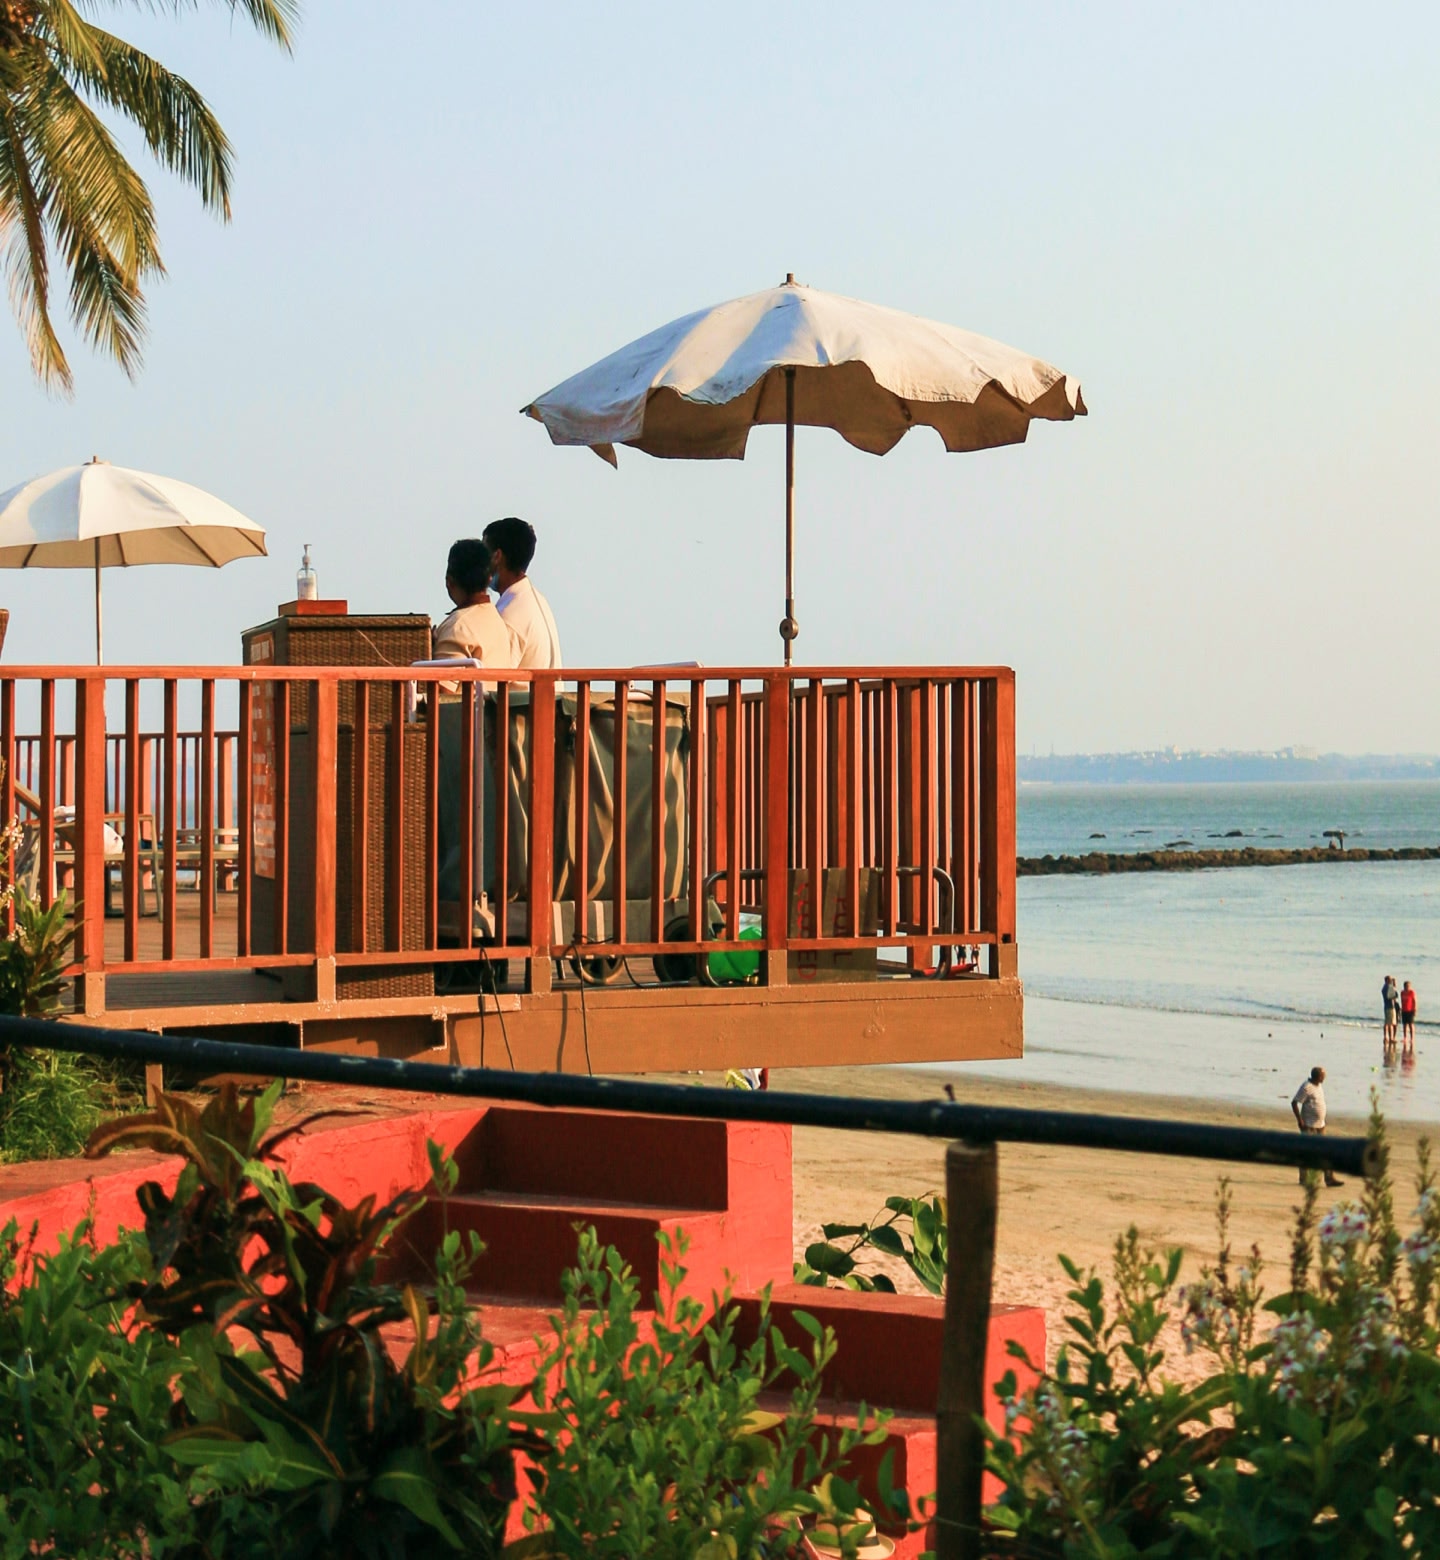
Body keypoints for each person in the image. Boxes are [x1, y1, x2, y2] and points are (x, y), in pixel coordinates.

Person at [433, 538, 518, 689]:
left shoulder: (458, 627)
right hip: (492, 711)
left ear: (449, 582)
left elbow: (443, 694)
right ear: (489, 578)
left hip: (468, 712)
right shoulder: (497, 620)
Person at [483, 516, 562, 669]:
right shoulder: (535, 600)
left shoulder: (510, 614)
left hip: (523, 693)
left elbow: (492, 677)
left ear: (497, 556)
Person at [1291, 1065, 1342, 1187]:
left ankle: (1329, 1178)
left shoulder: (1319, 1086)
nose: (1324, 1078)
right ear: (1317, 1076)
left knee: (1325, 1151)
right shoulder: (1306, 1087)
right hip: (1309, 1125)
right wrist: (1300, 1121)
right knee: (1307, 1152)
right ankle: (1304, 1179)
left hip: (1320, 1125)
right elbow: (1294, 1102)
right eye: (1322, 1076)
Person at [1383, 975, 1399, 1045]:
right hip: (1390, 1006)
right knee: (1390, 1023)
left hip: (1387, 1006)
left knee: (1387, 1022)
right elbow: (1394, 996)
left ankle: (1387, 1037)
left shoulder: (1384, 987)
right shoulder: (1389, 987)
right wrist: (1394, 987)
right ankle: (1390, 1038)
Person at [1401, 980, 1418, 1049]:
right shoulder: (1402, 992)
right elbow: (1402, 1001)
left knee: (1411, 1024)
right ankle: (1405, 1037)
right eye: (1406, 986)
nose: (1407, 987)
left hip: (1410, 1010)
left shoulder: (1412, 992)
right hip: (1404, 1010)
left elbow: (1415, 1001)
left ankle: (1412, 1038)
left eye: (1408, 986)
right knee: (1404, 1025)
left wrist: (1415, 1010)